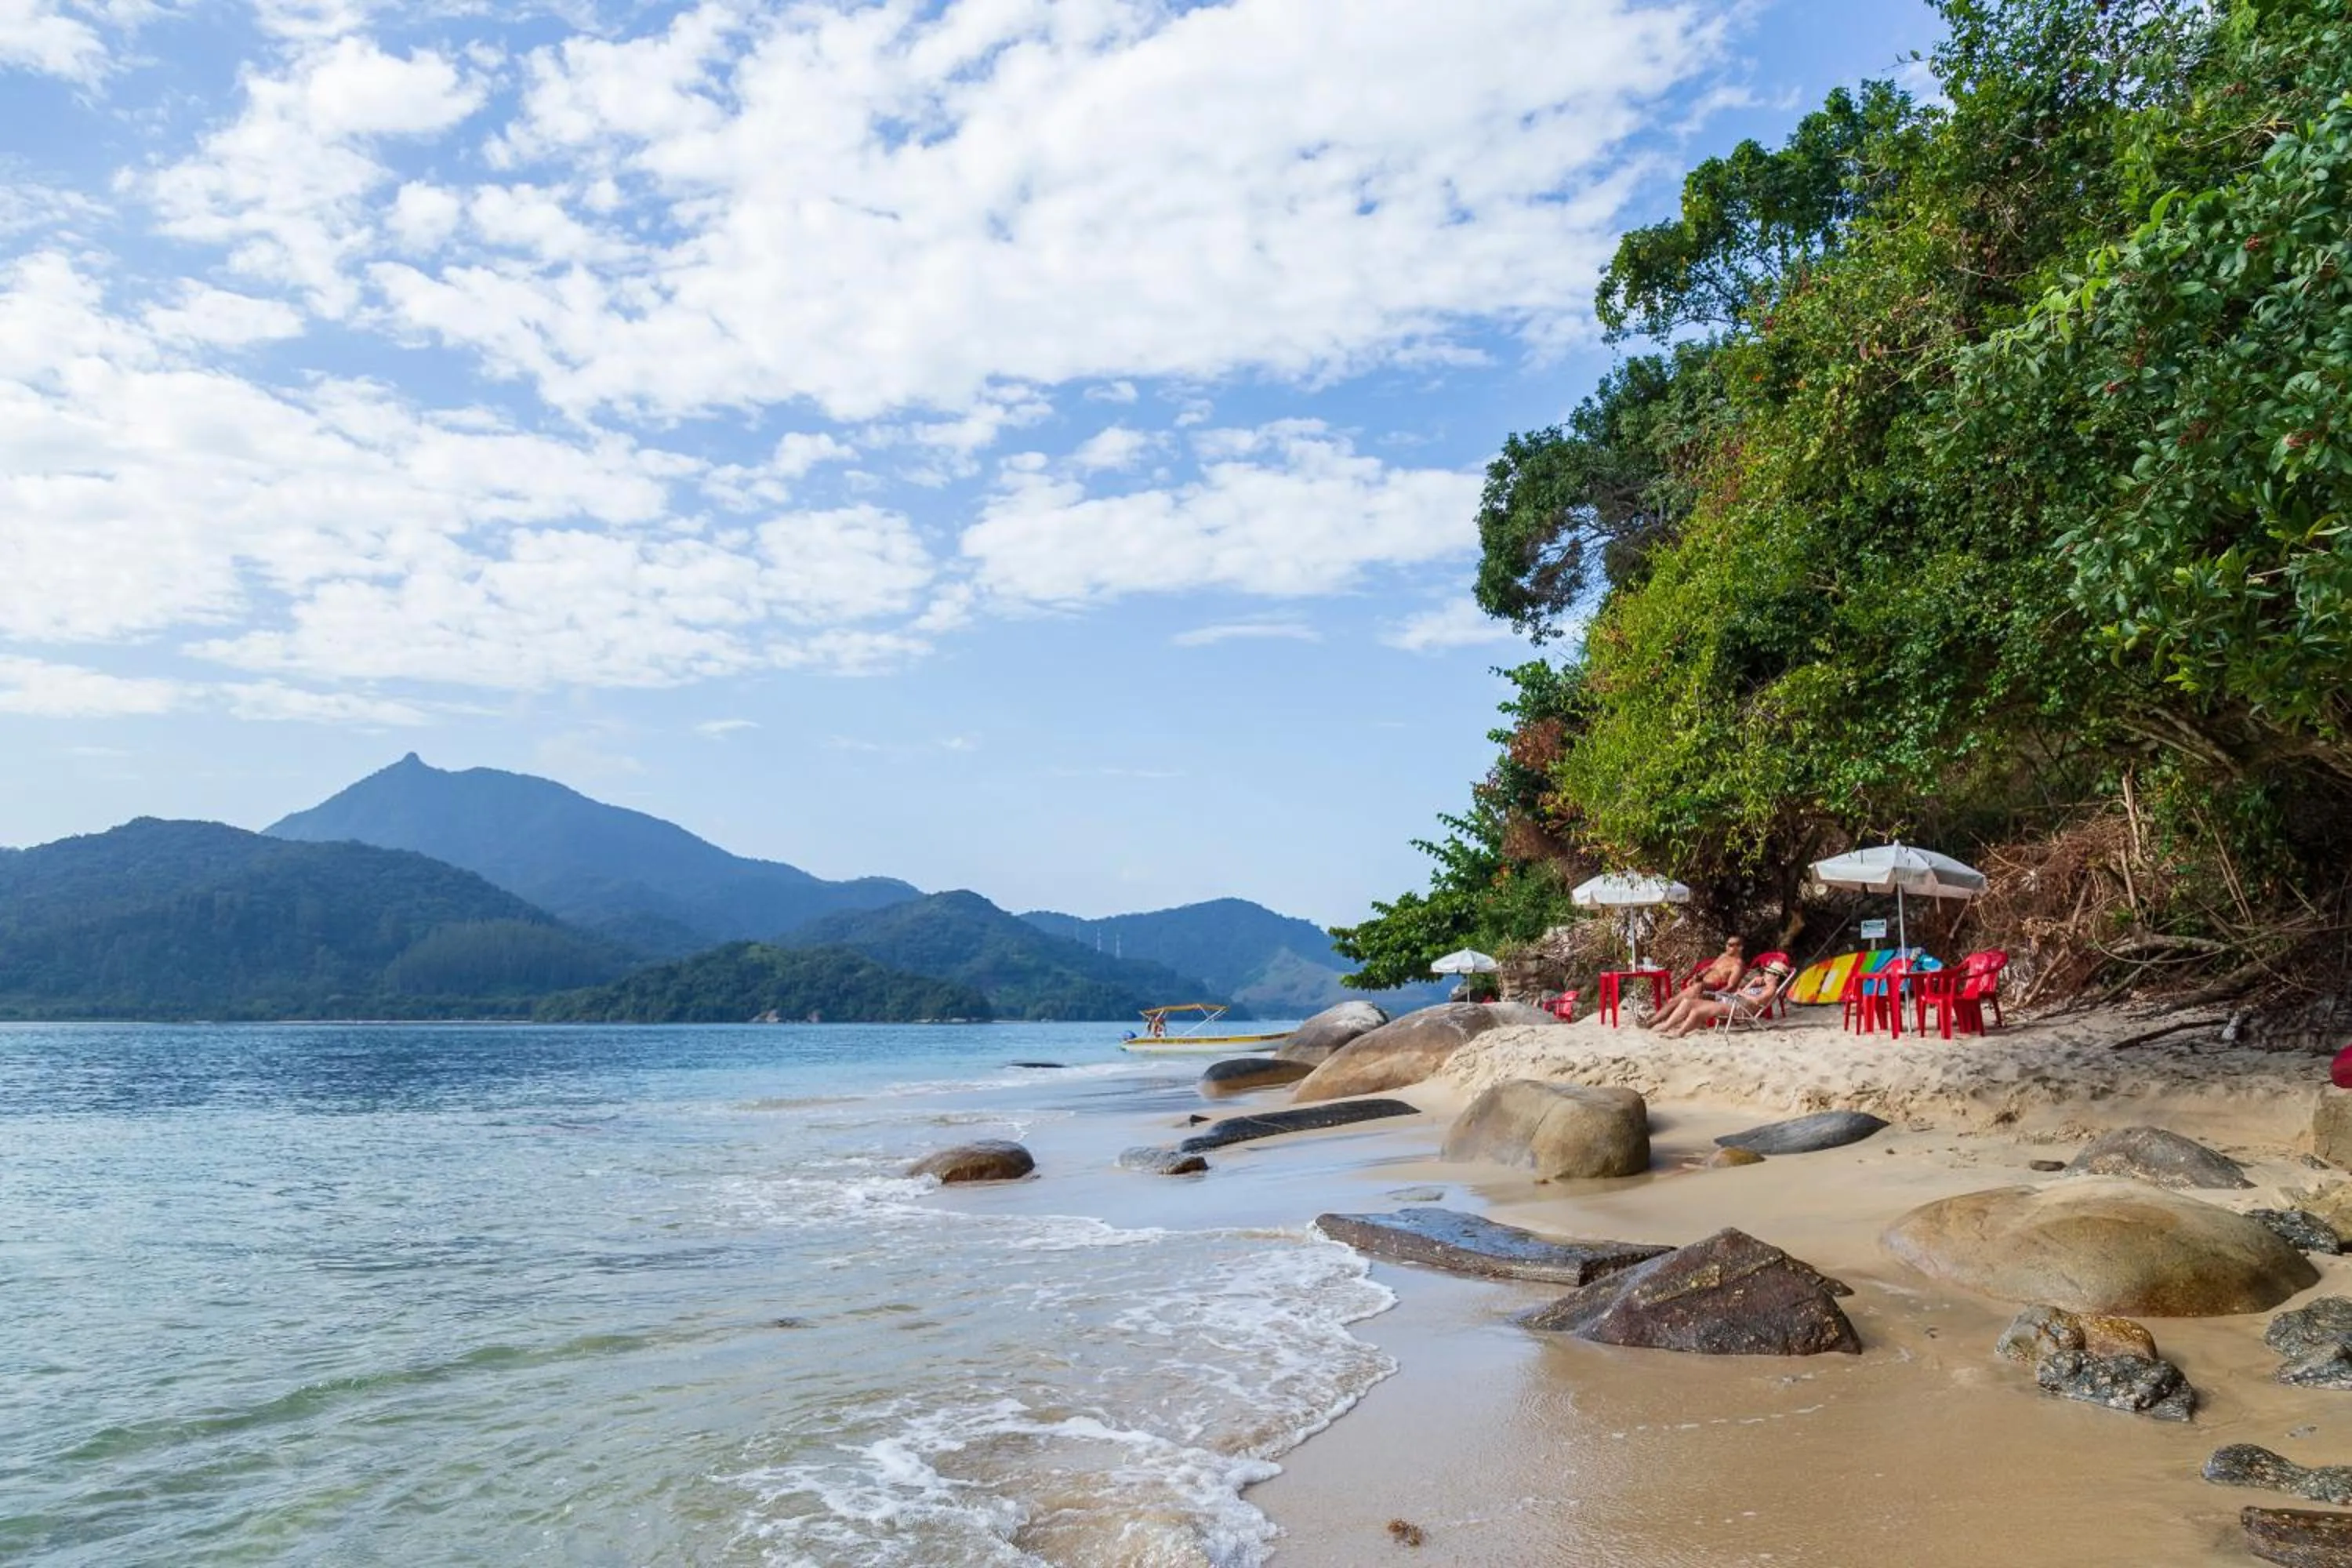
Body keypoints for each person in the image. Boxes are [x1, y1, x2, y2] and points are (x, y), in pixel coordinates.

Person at [1658, 958, 1794, 1038]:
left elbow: (1758, 1001)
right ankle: (1666, 1026)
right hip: (1734, 1001)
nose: (1765, 973)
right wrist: (1752, 983)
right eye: (1766, 971)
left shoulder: (1771, 989)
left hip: (1739, 1008)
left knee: (1697, 1011)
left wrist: (1741, 993)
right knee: (1688, 1002)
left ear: (1776, 977)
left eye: (1768, 972)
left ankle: (1679, 1032)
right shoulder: (1763, 984)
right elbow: (1744, 993)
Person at [1638, 937, 1744, 1029]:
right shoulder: (1723, 957)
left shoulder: (1737, 965)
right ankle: (1652, 1022)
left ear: (1739, 947)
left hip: (1712, 989)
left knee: (1689, 996)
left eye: (1730, 945)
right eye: (1727, 944)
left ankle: (1677, 1022)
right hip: (1701, 985)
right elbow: (1710, 968)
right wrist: (1698, 976)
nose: (1727, 947)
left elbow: (1731, 986)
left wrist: (1716, 995)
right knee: (1674, 1001)